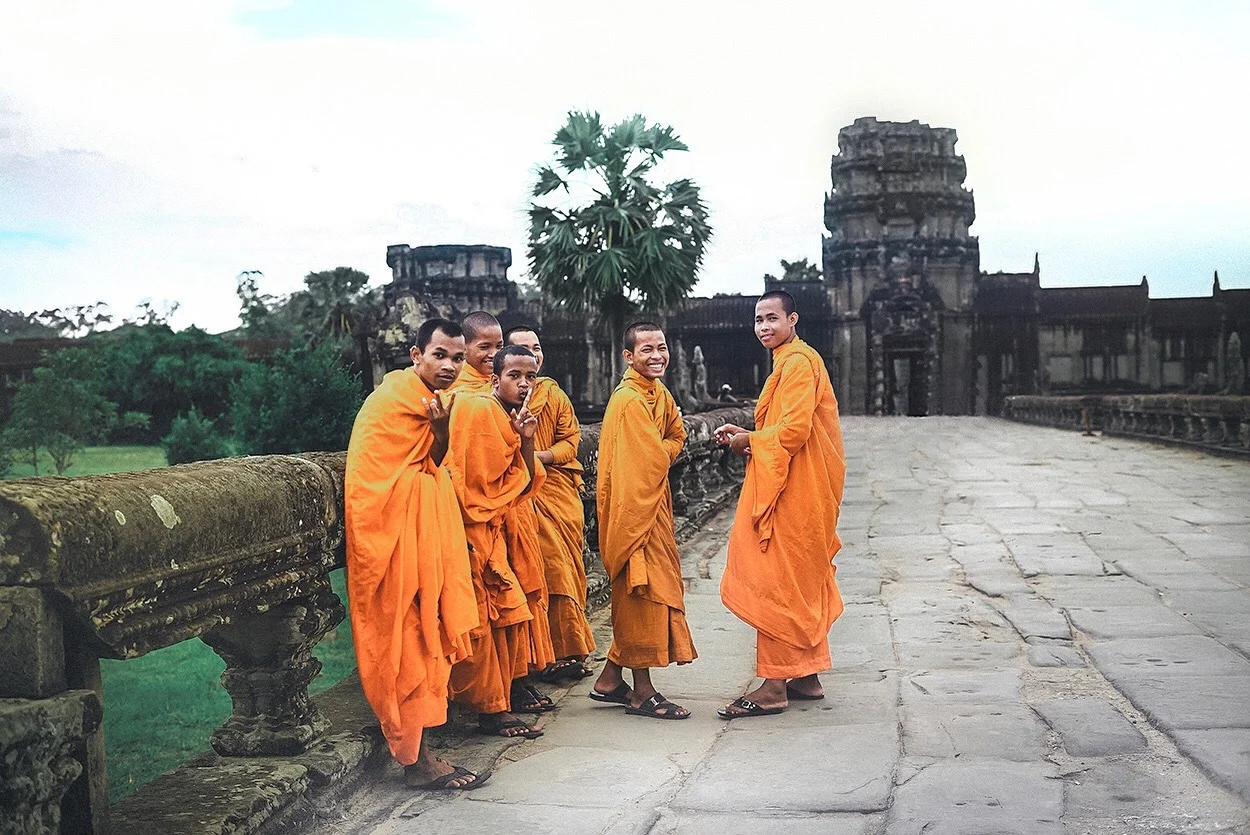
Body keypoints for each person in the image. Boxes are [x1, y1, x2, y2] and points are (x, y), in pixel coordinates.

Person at [343, 318, 487, 789]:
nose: (449, 366)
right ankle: (417, 763)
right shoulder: (388, 403)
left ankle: (422, 751)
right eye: (440, 355)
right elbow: (370, 484)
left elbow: (432, 461)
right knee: (405, 642)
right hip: (390, 544)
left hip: (421, 539)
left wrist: (441, 430)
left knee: (427, 639)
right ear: (416, 355)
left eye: (457, 358)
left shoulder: (436, 403)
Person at [714, 290, 845, 718]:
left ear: (793, 319)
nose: (764, 327)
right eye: (758, 320)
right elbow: (783, 426)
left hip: (797, 488)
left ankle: (774, 685)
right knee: (801, 575)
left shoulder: (798, 363)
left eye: (772, 318)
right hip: (801, 484)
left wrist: (749, 440)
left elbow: (793, 432)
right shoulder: (791, 361)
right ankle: (806, 673)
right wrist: (748, 433)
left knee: (777, 578)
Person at [590, 322, 695, 720]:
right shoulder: (630, 400)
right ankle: (642, 691)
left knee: (647, 594)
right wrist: (662, 450)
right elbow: (652, 457)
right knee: (642, 596)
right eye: (647, 350)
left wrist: (662, 449)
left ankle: (609, 680)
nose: (657, 356)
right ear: (628, 357)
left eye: (662, 348)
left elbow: (676, 434)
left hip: (651, 507)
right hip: (632, 514)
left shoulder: (658, 393)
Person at [445, 344, 548, 738]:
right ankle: (489, 710)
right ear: (495, 379)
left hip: (492, 530)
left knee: (506, 614)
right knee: (482, 621)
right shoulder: (478, 410)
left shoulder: (507, 416)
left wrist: (526, 438)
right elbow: (471, 482)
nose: (523, 385)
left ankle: (500, 701)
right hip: (470, 529)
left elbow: (523, 480)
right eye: (514, 377)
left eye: (530, 377)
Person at [505, 326, 597, 682]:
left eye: (537, 349)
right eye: (523, 349)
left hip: (556, 493)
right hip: (523, 497)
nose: (533, 355)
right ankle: (541, 654)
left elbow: (572, 442)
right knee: (546, 572)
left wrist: (539, 455)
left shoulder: (553, 395)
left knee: (567, 572)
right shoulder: (495, 396)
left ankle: (569, 649)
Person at [449, 311, 503, 394]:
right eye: (484, 347)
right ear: (463, 347)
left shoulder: (505, 379)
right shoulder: (451, 381)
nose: (495, 354)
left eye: (499, 346)